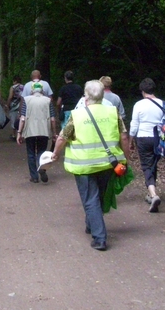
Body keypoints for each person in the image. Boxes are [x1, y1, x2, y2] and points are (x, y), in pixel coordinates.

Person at [52, 80, 130, 251]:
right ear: (102, 95)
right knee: (99, 196)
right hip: (109, 164)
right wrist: (125, 158)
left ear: (86, 96)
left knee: (90, 199)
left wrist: (55, 154)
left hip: (84, 165)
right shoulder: (113, 112)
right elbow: (124, 137)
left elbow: (62, 137)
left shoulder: (77, 114)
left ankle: (100, 238)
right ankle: (91, 224)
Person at [129, 77, 165, 213]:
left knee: (147, 165)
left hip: (143, 137)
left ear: (142, 91)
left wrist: (130, 140)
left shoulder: (139, 105)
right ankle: (151, 191)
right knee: (153, 164)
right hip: (158, 138)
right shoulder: (164, 104)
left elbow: (134, 124)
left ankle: (153, 194)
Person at [17, 82, 57, 183]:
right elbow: (52, 119)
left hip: (30, 131)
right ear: (43, 91)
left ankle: (34, 177)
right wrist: (54, 133)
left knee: (31, 153)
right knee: (41, 152)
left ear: (32, 90)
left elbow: (22, 118)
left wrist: (19, 132)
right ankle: (41, 169)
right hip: (43, 131)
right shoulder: (48, 101)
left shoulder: (27, 100)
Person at [6, 75, 24, 140]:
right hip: (23, 105)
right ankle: (21, 134)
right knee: (21, 119)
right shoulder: (23, 87)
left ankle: (14, 135)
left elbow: (10, 97)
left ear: (15, 81)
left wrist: (7, 104)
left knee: (13, 119)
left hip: (14, 105)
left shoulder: (13, 87)